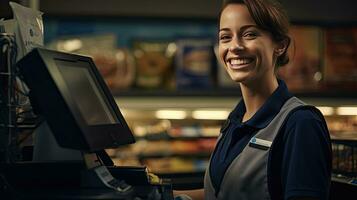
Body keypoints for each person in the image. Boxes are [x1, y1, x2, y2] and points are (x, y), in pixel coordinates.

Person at [175, 0, 332, 199]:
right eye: (225, 37)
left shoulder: (301, 123)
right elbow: (221, 193)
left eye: (249, 34)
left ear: (280, 45)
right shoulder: (235, 120)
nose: (235, 46)